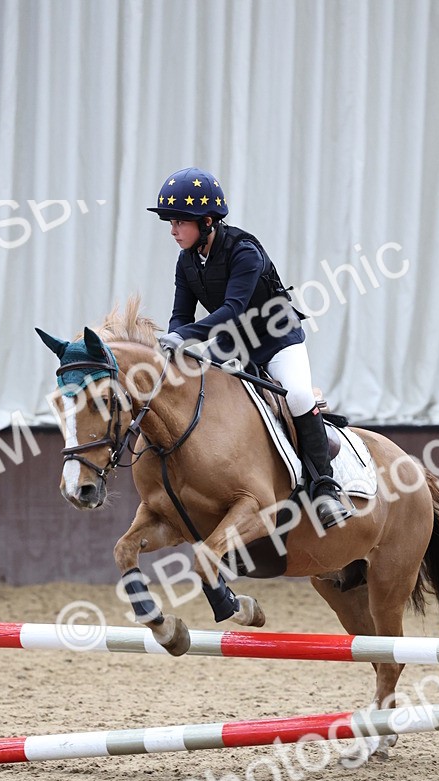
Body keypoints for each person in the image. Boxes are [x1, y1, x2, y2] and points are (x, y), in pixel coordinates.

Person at [147, 166, 353, 528]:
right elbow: (180, 315)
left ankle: (324, 487)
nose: (173, 230)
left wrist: (186, 337)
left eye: (180, 222)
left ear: (207, 221)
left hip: (276, 339)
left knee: (299, 397)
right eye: (171, 222)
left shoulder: (245, 251)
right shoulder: (187, 262)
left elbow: (232, 309)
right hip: (231, 345)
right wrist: (173, 345)